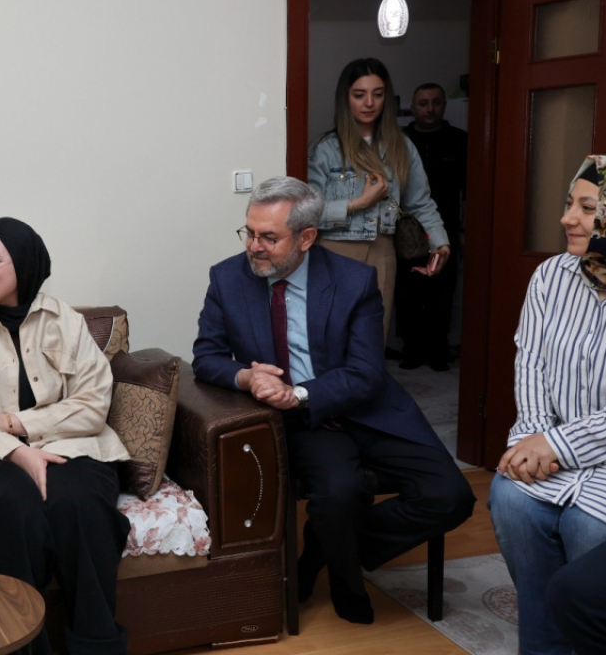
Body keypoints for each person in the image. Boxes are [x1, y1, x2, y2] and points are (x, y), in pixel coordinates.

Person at [192, 178, 474, 624]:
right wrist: (246, 377)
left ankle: (321, 553)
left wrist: (299, 393)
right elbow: (206, 357)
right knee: (340, 492)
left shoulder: (353, 280)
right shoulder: (227, 278)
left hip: (369, 409)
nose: (254, 247)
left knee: (452, 495)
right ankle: (346, 582)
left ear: (306, 237)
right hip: (305, 424)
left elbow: (366, 372)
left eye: (269, 237)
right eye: (250, 233)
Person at [492, 103, 606, 655]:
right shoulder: (551, 275)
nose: (567, 219)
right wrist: (531, 438)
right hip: (548, 442)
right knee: (512, 500)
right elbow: (530, 362)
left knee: (589, 524)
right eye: (568, 204)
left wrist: (558, 446)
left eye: (588, 208)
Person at [0, 217, 131, 655]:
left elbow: (93, 404)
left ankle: (97, 645)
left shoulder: (67, 322)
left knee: (80, 504)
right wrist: (18, 453)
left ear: (23, 264)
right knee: (15, 507)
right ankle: (22, 649)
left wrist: (11, 423)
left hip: (68, 444)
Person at [308, 58, 452, 338]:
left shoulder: (402, 146)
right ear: (345, 98)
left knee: (373, 338)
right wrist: (358, 203)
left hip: (383, 250)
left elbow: (420, 202)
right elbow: (308, 214)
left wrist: (440, 242)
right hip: (334, 250)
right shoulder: (325, 149)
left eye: (378, 94)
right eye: (359, 94)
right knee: (331, 337)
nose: (369, 103)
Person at [396, 83, 468, 371]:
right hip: (406, 231)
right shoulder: (400, 141)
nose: (430, 108)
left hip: (445, 228)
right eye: (423, 103)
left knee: (442, 291)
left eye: (436, 102)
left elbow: (470, 189)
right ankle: (412, 350)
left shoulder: (459, 141)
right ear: (413, 108)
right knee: (408, 291)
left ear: (444, 106)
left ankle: (438, 350)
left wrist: (463, 229)